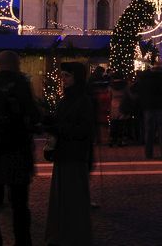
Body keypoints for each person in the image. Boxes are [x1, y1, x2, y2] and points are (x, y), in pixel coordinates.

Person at [0, 51, 43, 246]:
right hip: (17, 151)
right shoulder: (19, 83)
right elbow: (33, 112)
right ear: (15, 64)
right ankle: (22, 242)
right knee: (20, 205)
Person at [44, 61, 95, 246]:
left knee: (72, 201)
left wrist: (59, 128)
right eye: (62, 75)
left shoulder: (82, 100)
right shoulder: (66, 98)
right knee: (62, 200)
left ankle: (72, 237)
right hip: (64, 155)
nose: (63, 78)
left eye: (67, 75)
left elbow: (84, 130)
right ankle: (62, 234)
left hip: (74, 156)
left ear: (77, 78)